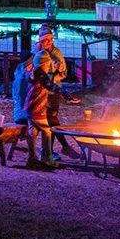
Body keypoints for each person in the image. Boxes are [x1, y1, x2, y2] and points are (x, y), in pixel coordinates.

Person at [33, 24, 79, 160]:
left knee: (52, 119)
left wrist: (56, 73)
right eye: (44, 40)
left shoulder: (56, 53)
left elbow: (62, 71)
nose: (47, 42)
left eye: (50, 39)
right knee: (50, 121)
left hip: (53, 92)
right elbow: (35, 70)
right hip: (41, 93)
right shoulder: (38, 53)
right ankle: (52, 150)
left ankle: (51, 149)